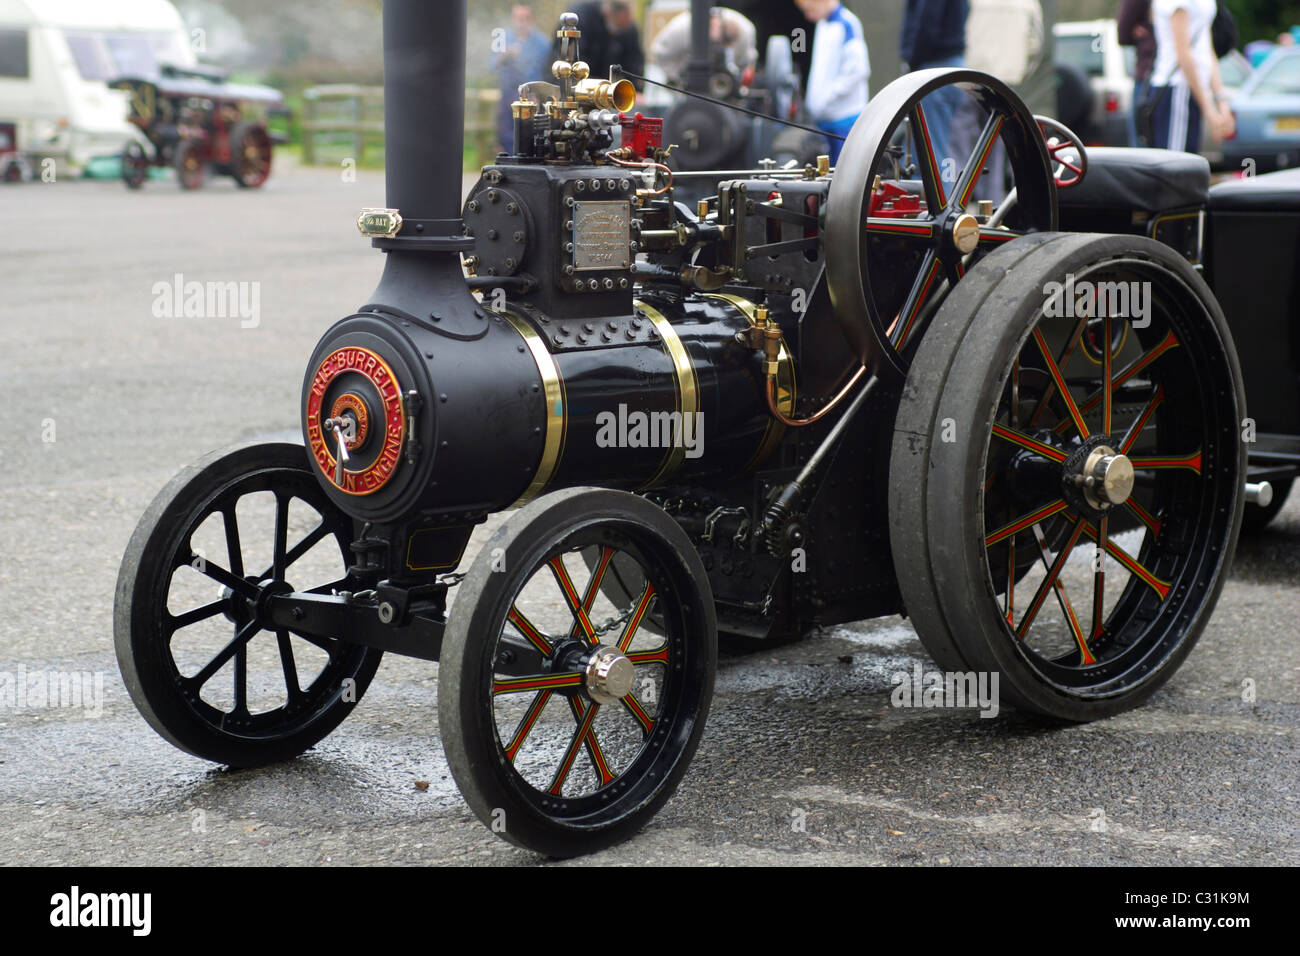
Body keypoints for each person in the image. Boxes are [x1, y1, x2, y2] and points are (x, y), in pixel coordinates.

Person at [1148, 0, 1233, 152]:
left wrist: (1221, 100)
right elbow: (1183, 55)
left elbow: (1206, 48)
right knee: (1175, 166)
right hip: (1177, 88)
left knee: (1190, 163)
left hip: (1194, 89)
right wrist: (1209, 111)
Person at [794, 0, 870, 164]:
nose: (807, 16)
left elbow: (858, 70)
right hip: (825, 121)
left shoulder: (847, 24)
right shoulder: (823, 24)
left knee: (844, 174)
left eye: (810, 9)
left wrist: (826, 99)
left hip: (844, 121)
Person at [899, 0, 969, 172]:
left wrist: (911, 61)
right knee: (937, 151)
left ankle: (942, 199)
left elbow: (926, 23)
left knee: (930, 158)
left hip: (933, 70)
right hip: (952, 66)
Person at [492, 5, 552, 153]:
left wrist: (540, 96)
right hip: (507, 97)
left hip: (532, 98)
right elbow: (491, 65)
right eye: (517, 19)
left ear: (531, 20)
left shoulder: (542, 42)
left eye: (524, 19)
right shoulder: (502, 39)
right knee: (506, 136)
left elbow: (547, 71)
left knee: (530, 136)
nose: (520, 23)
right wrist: (505, 56)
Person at [651, 6, 758, 86]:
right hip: (685, 82)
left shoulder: (746, 31)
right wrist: (678, 78)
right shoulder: (681, 28)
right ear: (713, 23)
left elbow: (747, 64)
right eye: (719, 42)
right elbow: (659, 54)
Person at [568, 1, 645, 88]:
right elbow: (573, 61)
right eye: (620, 25)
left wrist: (636, 90)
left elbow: (634, 62)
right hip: (578, 86)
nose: (625, 28)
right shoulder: (581, 18)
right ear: (608, 12)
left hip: (606, 90)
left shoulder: (629, 29)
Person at [1118, 0, 1157, 146]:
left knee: (1142, 142)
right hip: (1154, 73)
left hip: (1150, 73)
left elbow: (1123, 31)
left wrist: (1149, 32)